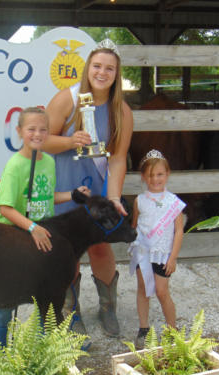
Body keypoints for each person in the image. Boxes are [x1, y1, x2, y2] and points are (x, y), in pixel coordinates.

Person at [44, 38, 134, 337]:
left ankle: (108, 307)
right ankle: (71, 311)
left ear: (116, 73)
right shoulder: (66, 100)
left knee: (100, 248)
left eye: (109, 68)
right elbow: (41, 141)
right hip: (65, 186)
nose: (102, 72)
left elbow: (119, 159)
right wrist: (71, 141)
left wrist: (113, 197)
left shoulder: (122, 111)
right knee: (67, 250)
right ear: (88, 68)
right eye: (97, 66)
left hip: (97, 189)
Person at [0, 106, 90, 346]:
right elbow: (5, 207)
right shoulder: (15, 166)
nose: (37, 134)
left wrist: (73, 195)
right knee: (5, 303)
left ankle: (43, 349)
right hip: (14, 240)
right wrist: (32, 227)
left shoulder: (47, 161)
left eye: (43, 130)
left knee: (45, 297)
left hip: (41, 240)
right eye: (31, 129)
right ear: (19, 131)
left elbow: (45, 196)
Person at [127, 149, 185, 349]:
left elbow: (178, 231)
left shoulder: (174, 203)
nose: (155, 179)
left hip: (162, 254)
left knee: (161, 291)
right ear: (144, 177)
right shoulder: (139, 200)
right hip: (143, 253)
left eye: (159, 174)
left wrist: (173, 257)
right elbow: (135, 225)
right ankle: (144, 328)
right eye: (150, 175)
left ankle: (172, 329)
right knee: (143, 290)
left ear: (167, 175)